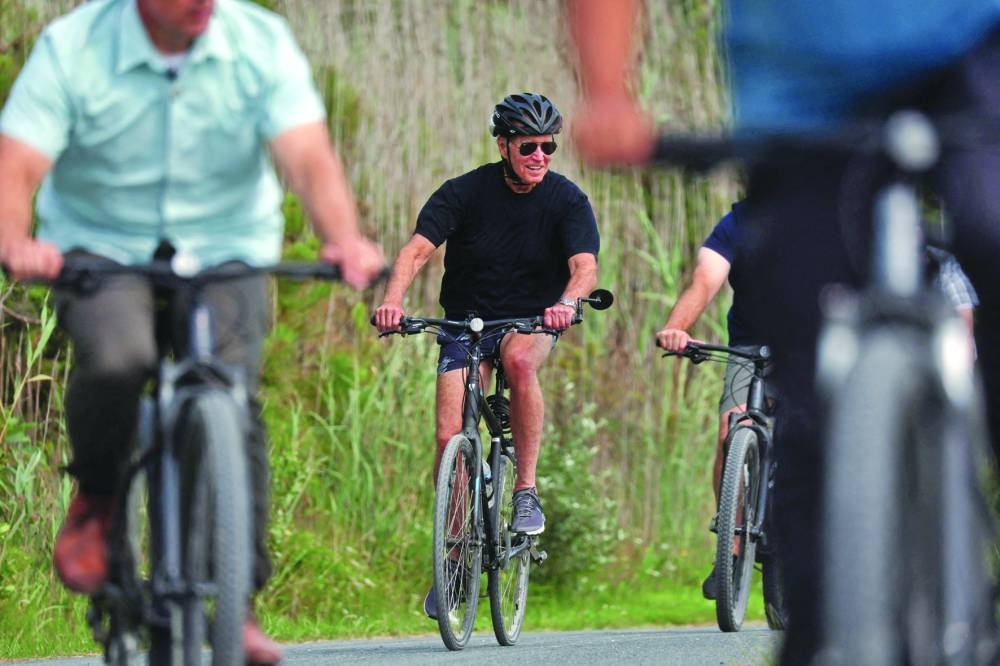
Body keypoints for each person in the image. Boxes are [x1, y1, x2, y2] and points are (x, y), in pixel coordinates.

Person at [566, 1, 1000, 663]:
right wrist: (605, 94)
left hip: (975, 61)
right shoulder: (728, 228)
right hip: (800, 97)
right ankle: (818, 625)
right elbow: (705, 280)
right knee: (808, 392)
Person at [0, 0, 384, 662]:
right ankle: (95, 504)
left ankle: (236, 604)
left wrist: (341, 238)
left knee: (231, 393)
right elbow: (18, 164)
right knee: (120, 359)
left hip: (227, 245)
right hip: (103, 246)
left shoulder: (257, 43)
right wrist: (14, 237)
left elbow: (307, 156)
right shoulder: (74, 48)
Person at [657, 203, 979, 606]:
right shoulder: (739, 222)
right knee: (731, 427)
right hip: (750, 345)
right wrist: (677, 326)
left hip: (816, 345)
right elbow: (705, 280)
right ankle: (732, 546)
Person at [373, 92, 600, 620]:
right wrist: (392, 301)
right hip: (465, 323)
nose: (540, 155)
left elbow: (585, 267)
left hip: (532, 321)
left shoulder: (567, 200)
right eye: (528, 147)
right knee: (447, 435)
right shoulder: (463, 193)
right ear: (504, 146)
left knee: (520, 364)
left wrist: (566, 303)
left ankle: (525, 490)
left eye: (548, 146)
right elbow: (415, 252)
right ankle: (453, 557)